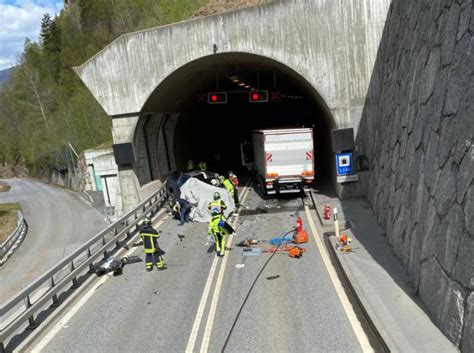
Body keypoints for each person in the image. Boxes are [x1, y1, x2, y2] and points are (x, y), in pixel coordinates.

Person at [207, 192, 227, 256]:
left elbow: (208, 207)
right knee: (222, 237)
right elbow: (225, 207)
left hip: (214, 220)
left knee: (216, 236)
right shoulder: (220, 201)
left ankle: (218, 249)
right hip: (220, 219)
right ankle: (222, 252)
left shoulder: (211, 202)